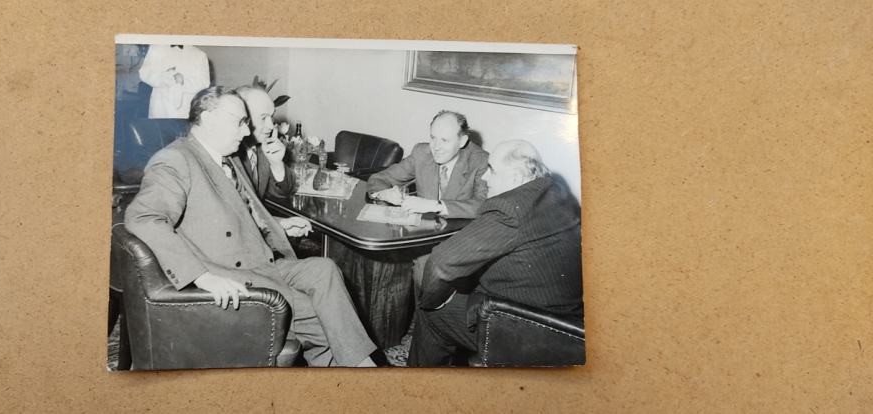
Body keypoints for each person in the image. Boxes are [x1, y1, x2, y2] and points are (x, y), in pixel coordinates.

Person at [124, 86, 377, 367]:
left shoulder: (227, 158)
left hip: (261, 261)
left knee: (324, 270)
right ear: (208, 118)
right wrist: (202, 277)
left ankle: (345, 367)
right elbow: (144, 217)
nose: (247, 132)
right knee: (329, 320)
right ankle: (361, 372)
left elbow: (241, 213)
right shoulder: (177, 159)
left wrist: (279, 224)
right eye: (240, 122)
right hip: (231, 273)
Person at [407, 140, 583, 367]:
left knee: (431, 313)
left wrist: (433, 301)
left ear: (515, 179)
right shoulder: (555, 190)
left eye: (492, 170)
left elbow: (440, 263)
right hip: (565, 317)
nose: (484, 177)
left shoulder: (508, 209)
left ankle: (420, 384)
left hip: (525, 325)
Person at [366, 110, 489, 291]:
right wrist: (384, 193)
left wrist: (435, 206)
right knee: (377, 261)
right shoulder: (421, 153)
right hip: (423, 235)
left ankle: (427, 307)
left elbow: (483, 205)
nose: (436, 147)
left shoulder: (480, 160)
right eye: (433, 138)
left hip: (459, 240)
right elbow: (378, 179)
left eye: (445, 140)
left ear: (462, 141)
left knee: (425, 266)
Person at [234, 82, 295, 198]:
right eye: (263, 118)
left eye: (271, 117)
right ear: (242, 118)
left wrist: (276, 164)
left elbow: (282, 193)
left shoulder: (262, 147)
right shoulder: (231, 155)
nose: (271, 126)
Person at [138, 45, 210, 119]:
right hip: (160, 108)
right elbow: (144, 73)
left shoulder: (200, 55)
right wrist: (166, 78)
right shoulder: (156, 48)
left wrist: (183, 81)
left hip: (184, 110)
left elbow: (204, 82)